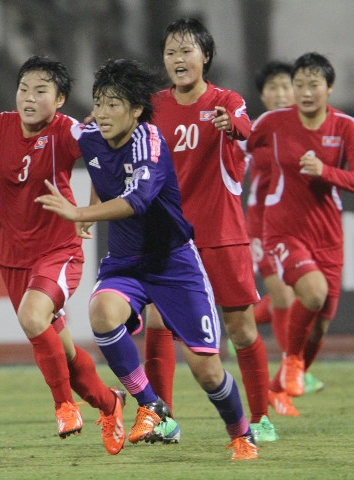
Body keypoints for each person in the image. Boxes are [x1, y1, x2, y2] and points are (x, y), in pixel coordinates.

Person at [36, 58, 258, 460]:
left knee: (206, 370)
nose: (102, 112)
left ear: (136, 110)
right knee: (102, 313)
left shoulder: (149, 140)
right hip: (126, 263)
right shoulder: (89, 135)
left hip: (173, 263)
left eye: (113, 104)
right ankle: (152, 407)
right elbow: (91, 165)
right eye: (99, 102)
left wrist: (80, 214)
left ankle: (241, 432)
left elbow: (137, 199)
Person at [0, 55, 125, 455]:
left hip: (59, 249)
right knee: (63, 353)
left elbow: (108, 162)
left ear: (60, 99)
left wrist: (87, 208)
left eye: (40, 91)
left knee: (32, 317)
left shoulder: (68, 132)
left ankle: (64, 406)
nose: (29, 98)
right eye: (23, 89)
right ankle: (110, 403)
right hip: (12, 257)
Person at [146, 17, 276, 442]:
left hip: (221, 234)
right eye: (170, 52)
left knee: (240, 328)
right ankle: (161, 419)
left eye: (186, 51)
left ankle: (261, 419)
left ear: (205, 56)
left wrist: (229, 125)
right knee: (157, 321)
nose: (177, 59)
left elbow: (246, 128)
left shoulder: (227, 101)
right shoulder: (153, 105)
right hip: (170, 237)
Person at [247, 52, 354, 413]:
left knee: (319, 328)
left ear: (329, 88)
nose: (302, 92)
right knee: (306, 295)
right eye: (298, 84)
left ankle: (278, 386)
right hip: (281, 228)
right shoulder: (273, 122)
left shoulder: (346, 127)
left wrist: (325, 171)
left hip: (328, 233)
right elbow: (238, 140)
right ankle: (287, 359)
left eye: (311, 84)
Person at [241, 61, 324, 409]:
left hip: (299, 224)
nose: (280, 93)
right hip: (263, 224)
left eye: (285, 86)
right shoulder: (261, 128)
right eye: (272, 88)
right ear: (262, 95)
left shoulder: (305, 127)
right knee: (285, 298)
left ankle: (244, 324)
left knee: (300, 299)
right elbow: (237, 153)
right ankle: (287, 376)